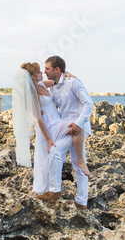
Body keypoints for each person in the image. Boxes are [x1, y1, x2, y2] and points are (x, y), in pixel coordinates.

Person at [38, 56, 94, 210]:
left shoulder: (73, 82)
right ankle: (76, 199)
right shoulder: (53, 87)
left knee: (68, 157)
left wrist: (78, 123)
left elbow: (88, 104)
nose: (45, 71)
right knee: (69, 159)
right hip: (65, 128)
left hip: (79, 129)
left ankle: (75, 198)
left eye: (47, 68)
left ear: (57, 69)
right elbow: (52, 105)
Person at [12, 62, 75, 196]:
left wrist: (66, 73)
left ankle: (50, 187)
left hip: (57, 119)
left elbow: (55, 81)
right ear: (34, 77)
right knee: (44, 159)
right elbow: (39, 119)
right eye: (39, 72)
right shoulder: (32, 94)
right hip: (48, 125)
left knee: (51, 155)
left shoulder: (41, 84)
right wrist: (48, 138)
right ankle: (44, 188)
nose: (42, 73)